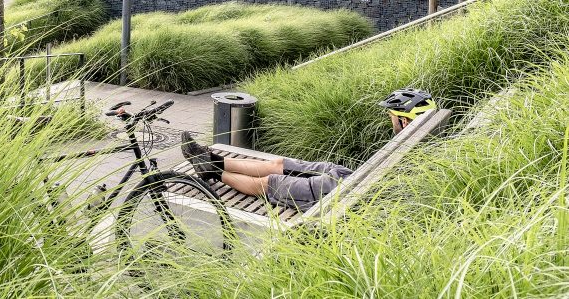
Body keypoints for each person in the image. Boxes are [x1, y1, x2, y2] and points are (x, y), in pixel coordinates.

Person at [181, 89, 437, 212]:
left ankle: (211, 171)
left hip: (344, 195)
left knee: (269, 182)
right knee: (280, 163)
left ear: (404, 121)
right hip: (351, 178)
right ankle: (212, 157)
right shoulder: (417, 142)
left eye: (391, 116)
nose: (389, 120)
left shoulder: (411, 150)